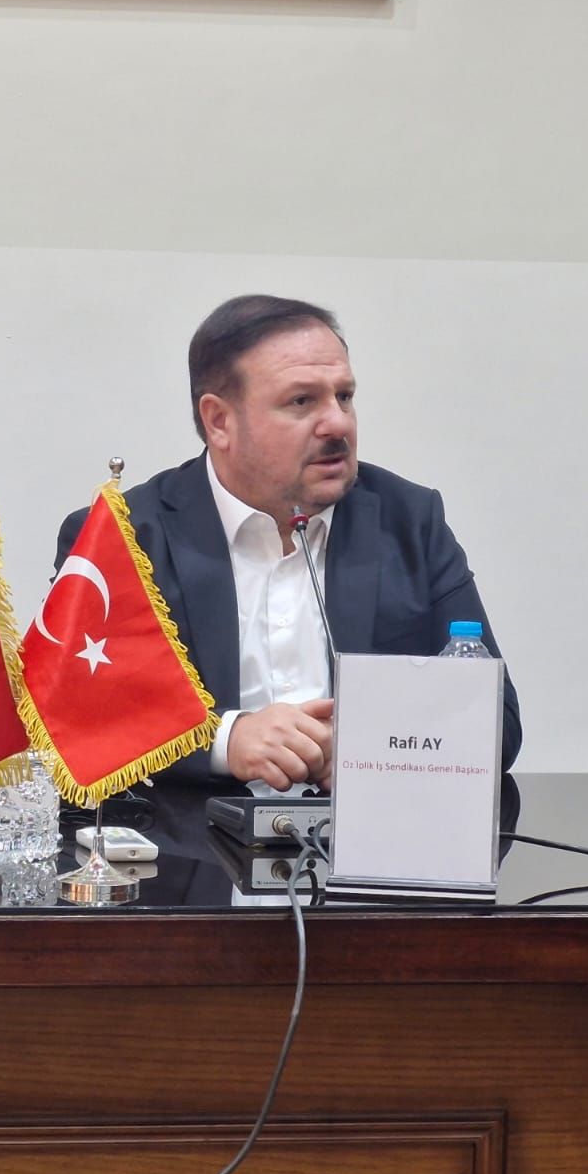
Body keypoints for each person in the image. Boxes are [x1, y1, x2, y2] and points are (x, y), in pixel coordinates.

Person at [55, 294, 521, 818]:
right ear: (219, 421)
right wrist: (225, 740)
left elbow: (498, 724)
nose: (337, 424)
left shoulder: (408, 521)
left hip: (365, 845)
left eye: (344, 397)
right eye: (302, 402)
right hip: (186, 852)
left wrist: (378, 744)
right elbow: (77, 714)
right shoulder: (126, 537)